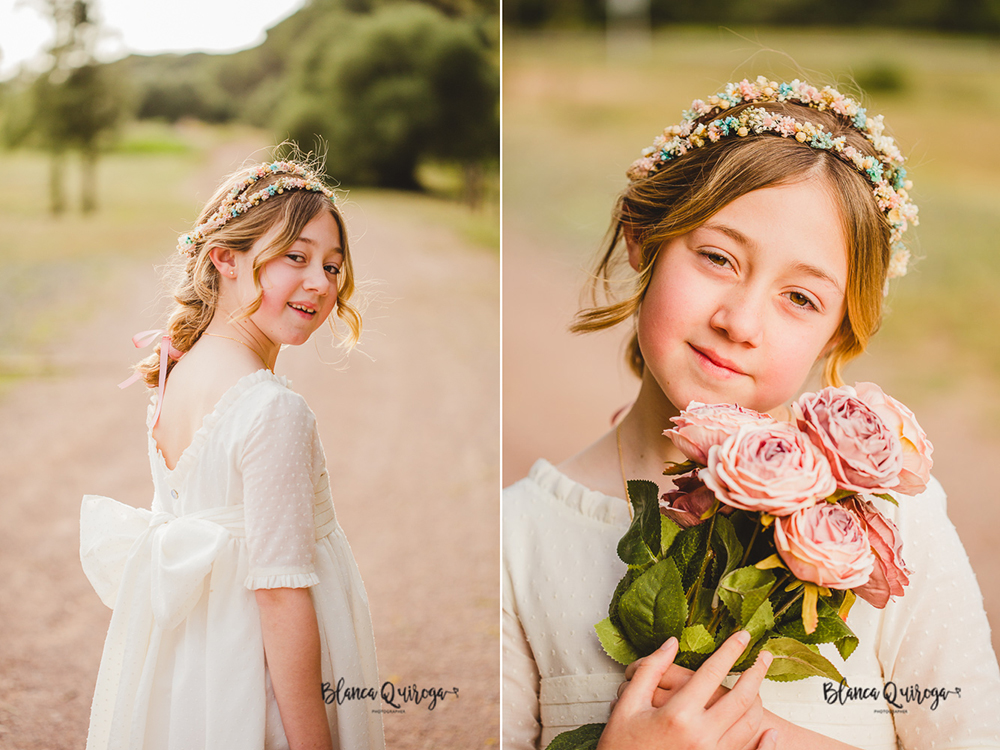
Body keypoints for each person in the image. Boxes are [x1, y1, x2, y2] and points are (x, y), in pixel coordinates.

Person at [502, 78, 1000, 749]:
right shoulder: (518, 541)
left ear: (840, 332)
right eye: (717, 257)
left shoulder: (891, 523)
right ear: (642, 236)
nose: (739, 322)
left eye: (800, 298)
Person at [79, 157, 384, 750]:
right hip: (254, 681)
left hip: (192, 669)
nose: (320, 283)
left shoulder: (178, 371)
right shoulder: (271, 408)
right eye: (295, 257)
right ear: (226, 258)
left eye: (332, 265)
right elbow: (279, 590)